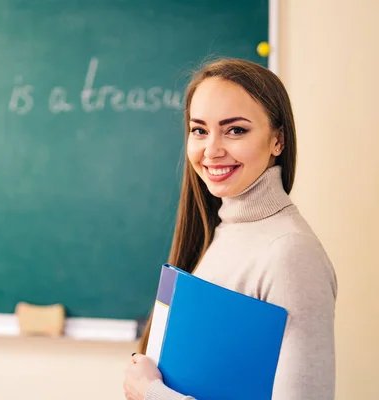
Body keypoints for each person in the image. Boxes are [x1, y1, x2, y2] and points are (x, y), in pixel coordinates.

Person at [123, 58, 337, 400]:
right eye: (199, 130)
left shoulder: (291, 253)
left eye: (235, 130)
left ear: (278, 140)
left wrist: (151, 393)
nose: (212, 150)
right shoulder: (219, 233)